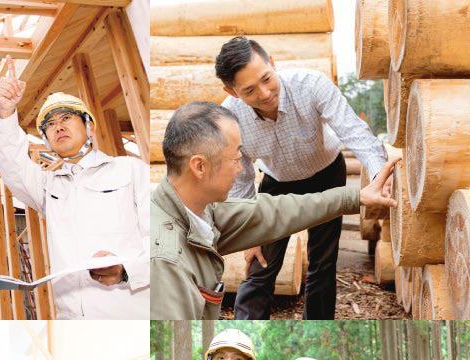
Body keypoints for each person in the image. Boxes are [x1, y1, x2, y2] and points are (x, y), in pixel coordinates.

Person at [150, 101, 398, 320]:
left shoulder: (202, 210)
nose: (240, 169)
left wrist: (357, 197)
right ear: (199, 166)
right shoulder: (167, 262)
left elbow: (278, 211)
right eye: (235, 159)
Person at [215, 36, 388, 320]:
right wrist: (249, 234)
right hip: (277, 183)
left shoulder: (311, 85)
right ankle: (245, 330)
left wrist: (380, 174)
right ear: (232, 92)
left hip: (327, 175)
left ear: (272, 63)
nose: (265, 93)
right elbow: (241, 178)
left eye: (267, 79)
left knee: (322, 263)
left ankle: (318, 326)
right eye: (249, 90)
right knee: (260, 265)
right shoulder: (228, 119)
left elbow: (353, 131)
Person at [0, 56, 149, 319]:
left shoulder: (130, 170)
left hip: (128, 313)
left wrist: (126, 270)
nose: (58, 126)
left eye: (66, 118)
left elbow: (162, 242)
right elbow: (12, 166)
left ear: (89, 127)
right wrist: (7, 113)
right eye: (49, 125)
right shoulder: (49, 186)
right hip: (71, 318)